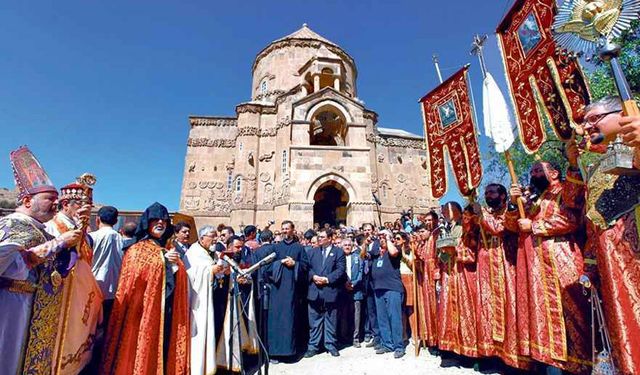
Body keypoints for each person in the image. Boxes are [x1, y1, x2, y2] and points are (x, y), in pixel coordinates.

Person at [0, 146, 82, 375]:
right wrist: (58, 244)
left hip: (37, 308)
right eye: (49, 198)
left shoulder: (43, 230)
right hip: (11, 308)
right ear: (27, 200)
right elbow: (11, 266)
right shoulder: (11, 226)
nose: (55, 204)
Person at [506, 161, 590, 374]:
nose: (533, 174)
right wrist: (514, 204)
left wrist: (535, 226)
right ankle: (551, 366)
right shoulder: (537, 199)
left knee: (571, 314)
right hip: (538, 269)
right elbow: (512, 225)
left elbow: (572, 219)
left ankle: (578, 366)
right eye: (531, 170)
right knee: (544, 318)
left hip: (562, 260)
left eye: (538, 170)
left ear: (553, 173)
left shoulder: (564, 190)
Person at [577, 96, 640, 375]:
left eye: (594, 119)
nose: (586, 127)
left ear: (620, 112)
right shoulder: (596, 165)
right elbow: (593, 219)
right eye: (584, 121)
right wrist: (590, 263)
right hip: (611, 257)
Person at [101, 202, 190, 375]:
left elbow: (178, 279)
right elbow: (134, 278)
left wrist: (174, 266)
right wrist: (163, 261)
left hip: (163, 309)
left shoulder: (166, 249)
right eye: (155, 220)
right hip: (139, 312)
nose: (160, 223)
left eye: (164, 220)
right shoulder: (136, 249)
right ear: (147, 223)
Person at [44, 180, 104, 375]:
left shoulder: (87, 235)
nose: (85, 210)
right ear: (65, 205)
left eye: (88, 206)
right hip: (59, 295)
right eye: (79, 205)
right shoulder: (51, 228)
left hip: (81, 296)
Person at [473, 184, 530, 370]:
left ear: (503, 195)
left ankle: (514, 360)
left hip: (507, 268)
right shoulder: (487, 213)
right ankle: (492, 355)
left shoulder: (511, 211)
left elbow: (498, 228)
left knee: (509, 310)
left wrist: (481, 214)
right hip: (487, 271)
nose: (488, 196)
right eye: (486, 193)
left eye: (492, 192)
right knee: (488, 311)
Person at [258, 220, 308, 363]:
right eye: (283, 229)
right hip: (276, 289)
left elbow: (305, 266)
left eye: (287, 229)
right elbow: (265, 267)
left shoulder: (299, 248)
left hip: (291, 290)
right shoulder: (276, 248)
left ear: (293, 230)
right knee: (275, 320)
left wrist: (295, 264)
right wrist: (278, 263)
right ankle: (274, 352)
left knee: (289, 319)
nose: (285, 231)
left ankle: (290, 352)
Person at [215, 235, 259, 371]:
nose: (240, 249)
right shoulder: (221, 259)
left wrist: (247, 280)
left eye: (241, 246)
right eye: (237, 247)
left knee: (243, 330)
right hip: (224, 303)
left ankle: (244, 362)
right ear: (229, 247)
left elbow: (253, 274)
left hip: (243, 300)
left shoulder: (246, 258)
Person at [184, 225, 223, 375]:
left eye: (216, 236)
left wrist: (221, 271)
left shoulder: (210, 252)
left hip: (211, 298)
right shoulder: (193, 253)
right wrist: (209, 271)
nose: (215, 239)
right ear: (201, 238)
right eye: (212, 236)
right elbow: (190, 274)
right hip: (197, 302)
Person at [305, 228, 346, 358]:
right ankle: (313, 346)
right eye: (318, 236)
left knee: (331, 320)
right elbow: (307, 268)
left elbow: (340, 270)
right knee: (314, 321)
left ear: (330, 238)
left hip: (330, 290)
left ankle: (331, 344)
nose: (319, 239)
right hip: (314, 291)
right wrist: (313, 277)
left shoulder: (338, 252)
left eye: (322, 237)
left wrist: (327, 279)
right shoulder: (312, 252)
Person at [370, 229, 405, 359]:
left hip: (392, 289)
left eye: (383, 235)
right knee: (382, 318)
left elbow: (394, 252)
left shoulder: (395, 249)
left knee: (394, 318)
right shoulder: (377, 253)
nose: (381, 238)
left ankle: (398, 346)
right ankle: (387, 344)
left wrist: (389, 238)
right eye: (379, 236)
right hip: (378, 289)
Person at [89, 206, 124, 327]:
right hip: (114, 288)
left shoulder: (92, 237)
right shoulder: (122, 240)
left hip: (93, 286)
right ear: (115, 221)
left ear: (97, 219)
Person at [415, 212, 439, 349]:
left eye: (430, 220)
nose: (428, 222)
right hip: (426, 276)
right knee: (428, 306)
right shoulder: (427, 237)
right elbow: (422, 256)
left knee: (437, 307)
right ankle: (431, 339)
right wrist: (419, 242)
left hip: (436, 274)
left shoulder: (438, 234)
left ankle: (439, 340)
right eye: (426, 220)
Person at [340, 238, 365, 348]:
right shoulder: (339, 257)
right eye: (345, 245)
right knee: (344, 315)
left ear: (352, 246)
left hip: (356, 290)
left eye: (349, 245)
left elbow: (361, 272)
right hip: (342, 290)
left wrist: (354, 284)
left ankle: (355, 338)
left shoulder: (357, 256)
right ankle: (344, 337)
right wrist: (344, 283)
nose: (347, 247)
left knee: (356, 316)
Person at [361, 223, 380, 349]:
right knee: (371, 311)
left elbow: (374, 255)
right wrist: (365, 244)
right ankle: (375, 335)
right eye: (365, 230)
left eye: (369, 230)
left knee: (378, 310)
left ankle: (381, 337)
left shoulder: (378, 243)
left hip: (377, 280)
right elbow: (362, 256)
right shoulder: (364, 244)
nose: (367, 232)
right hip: (367, 281)